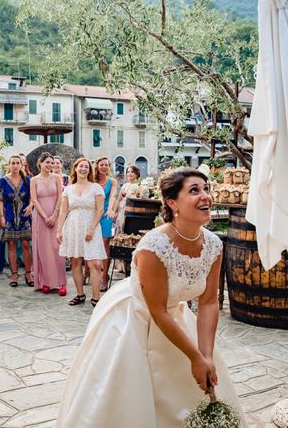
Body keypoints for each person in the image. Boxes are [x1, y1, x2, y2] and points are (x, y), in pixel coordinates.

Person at [56, 168, 245, 426]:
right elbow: (158, 311)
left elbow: (209, 301)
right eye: (194, 190)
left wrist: (206, 355)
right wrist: (195, 357)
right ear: (172, 202)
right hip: (135, 318)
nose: (206, 196)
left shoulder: (213, 244)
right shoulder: (154, 247)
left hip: (175, 315)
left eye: (206, 189)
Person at [56, 157, 107, 306]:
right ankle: (80, 294)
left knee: (95, 263)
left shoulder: (96, 187)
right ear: (75, 169)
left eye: (86, 167)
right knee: (75, 261)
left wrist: (91, 228)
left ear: (89, 170)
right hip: (72, 226)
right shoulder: (68, 189)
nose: (83, 169)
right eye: (81, 166)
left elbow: (100, 209)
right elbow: (63, 211)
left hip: (91, 226)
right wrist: (59, 231)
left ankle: (96, 298)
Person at [30, 152, 67, 295]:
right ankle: (45, 281)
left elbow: (60, 197)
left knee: (57, 249)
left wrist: (54, 215)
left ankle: (61, 283)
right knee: (43, 250)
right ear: (40, 163)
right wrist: (45, 217)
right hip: (40, 218)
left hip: (56, 216)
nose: (50, 165)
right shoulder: (34, 180)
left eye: (52, 163)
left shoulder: (58, 178)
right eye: (47, 162)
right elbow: (34, 200)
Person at [0, 155, 33, 287]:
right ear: (9, 165)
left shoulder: (27, 179)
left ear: (21, 165)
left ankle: (28, 273)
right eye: (13, 163)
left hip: (24, 216)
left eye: (18, 163)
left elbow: (31, 196)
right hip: (10, 217)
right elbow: (0, 199)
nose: (15, 165)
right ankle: (14, 274)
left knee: (25, 245)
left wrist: (30, 206)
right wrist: (1, 216)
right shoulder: (3, 180)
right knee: (11, 245)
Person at [94, 156, 117, 291]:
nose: (104, 167)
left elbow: (113, 196)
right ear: (97, 166)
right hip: (93, 214)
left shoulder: (112, 181)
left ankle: (104, 276)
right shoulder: (92, 181)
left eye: (106, 165)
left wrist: (110, 209)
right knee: (90, 242)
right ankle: (87, 272)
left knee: (105, 242)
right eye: (101, 164)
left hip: (106, 214)